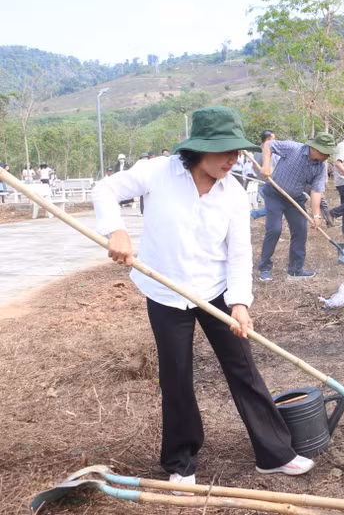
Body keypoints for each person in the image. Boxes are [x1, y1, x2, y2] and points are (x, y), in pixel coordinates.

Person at [92, 106, 313, 488]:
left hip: (216, 291)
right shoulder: (159, 172)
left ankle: (274, 454)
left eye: (237, 151)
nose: (233, 159)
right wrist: (117, 231)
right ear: (199, 150)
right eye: (224, 151)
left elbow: (239, 253)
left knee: (243, 367)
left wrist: (240, 303)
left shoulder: (233, 194)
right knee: (176, 375)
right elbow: (105, 189)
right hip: (165, 289)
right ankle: (181, 461)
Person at [257, 131, 336, 281]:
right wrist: (266, 165)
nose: (328, 156)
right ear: (316, 148)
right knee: (274, 229)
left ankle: (295, 270)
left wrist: (316, 215)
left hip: (296, 198)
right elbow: (268, 145)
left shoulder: (321, 166)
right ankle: (264, 267)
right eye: (326, 152)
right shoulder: (293, 148)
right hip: (275, 193)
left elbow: (316, 191)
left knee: (300, 230)